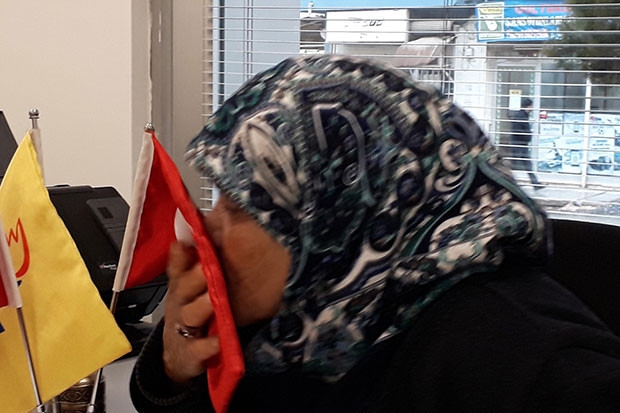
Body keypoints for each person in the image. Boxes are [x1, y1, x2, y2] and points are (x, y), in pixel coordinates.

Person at [130, 55, 620, 412]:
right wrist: (176, 363)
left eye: (240, 207)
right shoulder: (309, 312)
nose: (205, 229)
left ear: (334, 212)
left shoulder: (515, 356)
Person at [510, 97, 544, 189]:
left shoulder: (523, 115)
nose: (532, 108)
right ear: (527, 106)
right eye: (531, 106)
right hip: (518, 144)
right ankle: (507, 181)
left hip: (522, 144)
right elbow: (517, 130)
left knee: (527, 164)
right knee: (513, 165)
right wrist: (526, 136)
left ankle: (535, 183)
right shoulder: (520, 116)